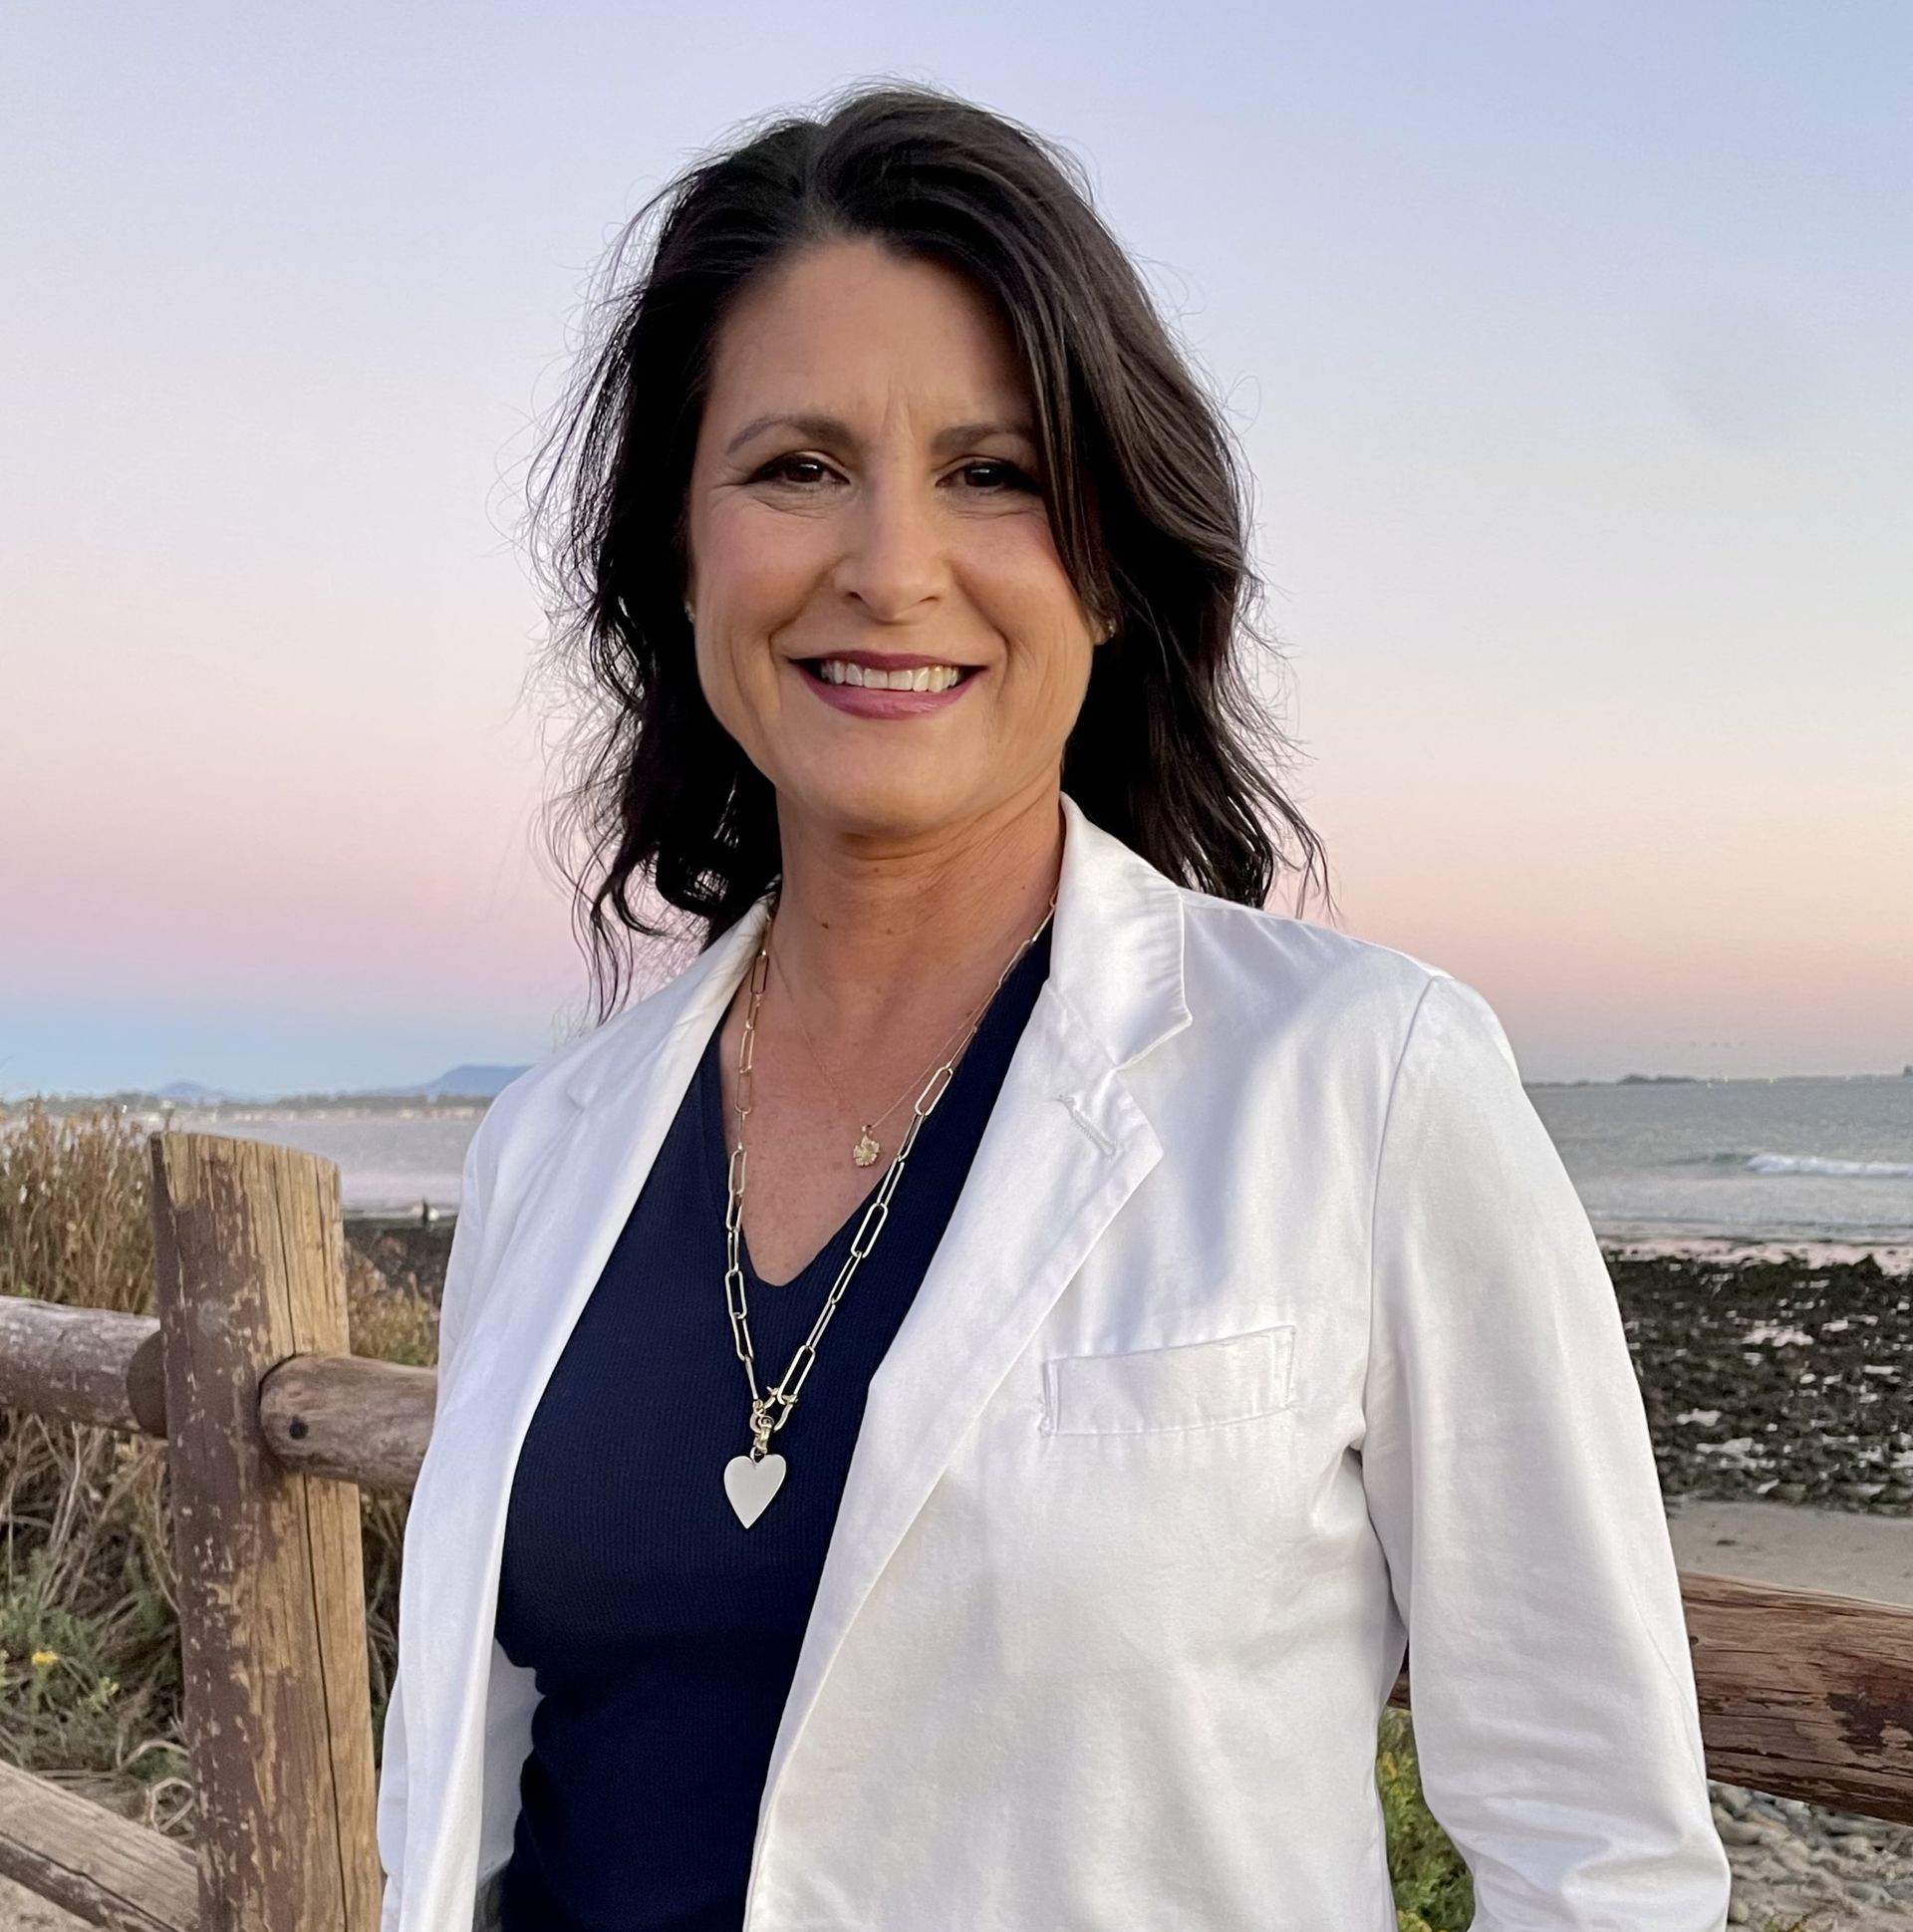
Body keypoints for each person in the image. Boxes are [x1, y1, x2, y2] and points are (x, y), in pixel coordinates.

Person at [375, 80, 1731, 1932]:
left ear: (1111, 566)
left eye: (993, 473)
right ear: (678, 547)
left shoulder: (1362, 1082)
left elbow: (1601, 1853)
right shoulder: (554, 1147)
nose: (892, 566)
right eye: (795, 467)